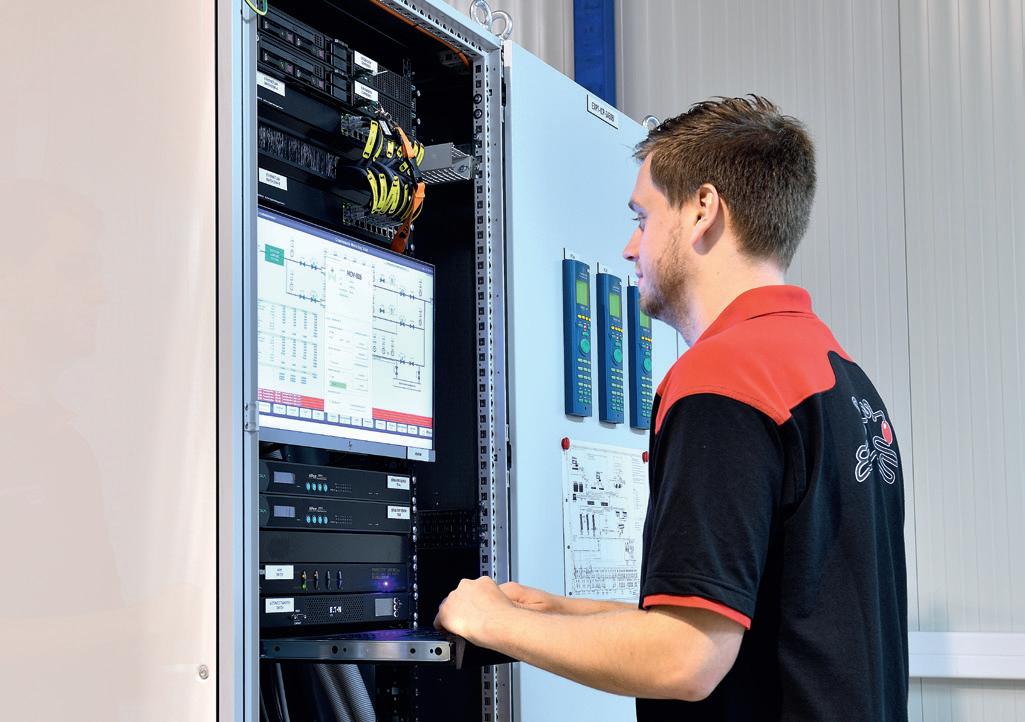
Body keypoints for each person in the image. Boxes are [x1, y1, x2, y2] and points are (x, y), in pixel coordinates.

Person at [434, 95, 908, 721]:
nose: (631, 247)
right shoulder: (841, 379)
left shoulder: (726, 378)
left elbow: (686, 658)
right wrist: (559, 613)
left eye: (643, 217)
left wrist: (490, 621)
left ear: (703, 210)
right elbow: (743, 620)